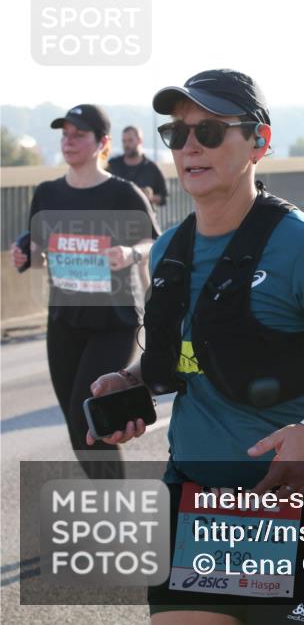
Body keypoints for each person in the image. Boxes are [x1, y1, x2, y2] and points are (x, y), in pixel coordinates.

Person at [88, 69, 304, 624]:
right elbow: (195, 351)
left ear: (259, 141)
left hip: (297, 504)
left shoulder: (303, 248)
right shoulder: (169, 250)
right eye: (178, 133)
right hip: (197, 499)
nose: (190, 147)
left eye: (210, 132)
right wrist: (132, 380)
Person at [8, 104, 159, 480]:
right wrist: (24, 252)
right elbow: (40, 251)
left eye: (79, 135)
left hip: (114, 320)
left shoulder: (123, 193)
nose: (69, 142)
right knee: (81, 430)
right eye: (64, 135)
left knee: (88, 413)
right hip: (64, 319)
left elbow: (153, 242)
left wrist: (129, 253)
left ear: (102, 142)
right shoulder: (47, 193)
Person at [107, 125, 169, 207]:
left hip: (143, 217)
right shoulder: (112, 165)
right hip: (118, 217)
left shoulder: (152, 168)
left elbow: (164, 198)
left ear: (140, 141)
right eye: (124, 141)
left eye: (130, 140)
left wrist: (150, 197)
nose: (126, 145)